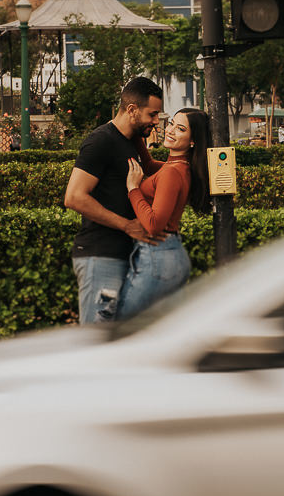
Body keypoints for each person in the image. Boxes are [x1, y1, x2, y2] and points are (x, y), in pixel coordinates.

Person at [64, 77, 164, 324]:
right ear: (132, 109)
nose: (156, 121)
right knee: (97, 340)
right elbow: (74, 197)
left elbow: (153, 168)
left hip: (123, 255)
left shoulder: (132, 141)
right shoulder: (101, 141)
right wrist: (127, 225)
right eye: (152, 114)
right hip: (101, 256)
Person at [99, 108, 212, 321]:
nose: (170, 130)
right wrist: (133, 131)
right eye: (172, 123)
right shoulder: (179, 166)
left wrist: (133, 188)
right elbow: (150, 165)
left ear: (192, 141)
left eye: (180, 129)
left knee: (123, 324)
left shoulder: (172, 171)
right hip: (168, 254)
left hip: (158, 255)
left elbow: (153, 225)